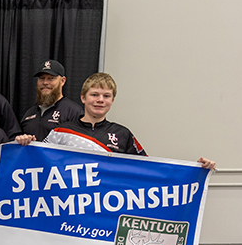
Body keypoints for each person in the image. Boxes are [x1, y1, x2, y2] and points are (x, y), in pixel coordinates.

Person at [37, 73, 216, 171]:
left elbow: (149, 170)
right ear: (83, 98)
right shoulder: (61, 131)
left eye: (106, 96)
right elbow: (35, 162)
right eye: (94, 95)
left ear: (112, 101)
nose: (100, 100)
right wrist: (24, 144)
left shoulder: (123, 134)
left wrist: (196, 169)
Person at [17, 60, 82, 142]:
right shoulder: (29, 113)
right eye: (42, 78)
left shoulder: (73, 112)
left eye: (51, 78)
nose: (45, 82)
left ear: (62, 81)